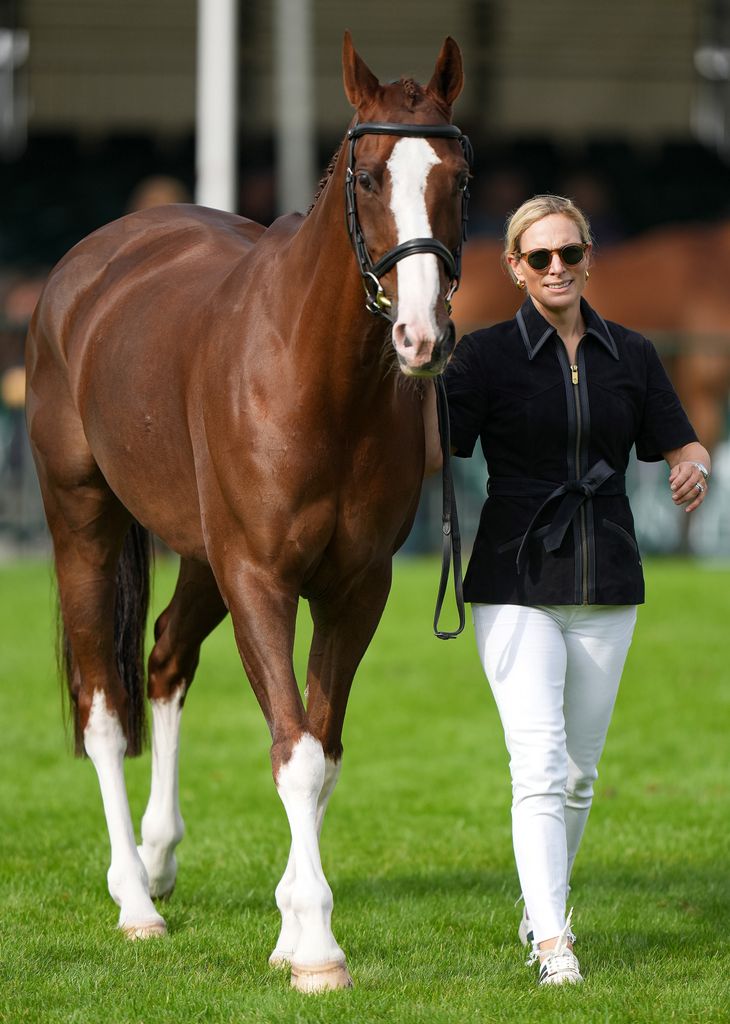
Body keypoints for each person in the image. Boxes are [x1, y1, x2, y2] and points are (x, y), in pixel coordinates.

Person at [426, 194, 710, 986]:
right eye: (540, 257)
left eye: (570, 254)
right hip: (515, 573)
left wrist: (694, 464)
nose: (558, 268)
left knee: (580, 773)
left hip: (609, 573)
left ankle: (538, 903)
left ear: (590, 257)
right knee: (541, 764)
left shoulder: (634, 353)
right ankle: (554, 942)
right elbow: (428, 444)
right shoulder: (480, 357)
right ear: (514, 268)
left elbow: (679, 439)